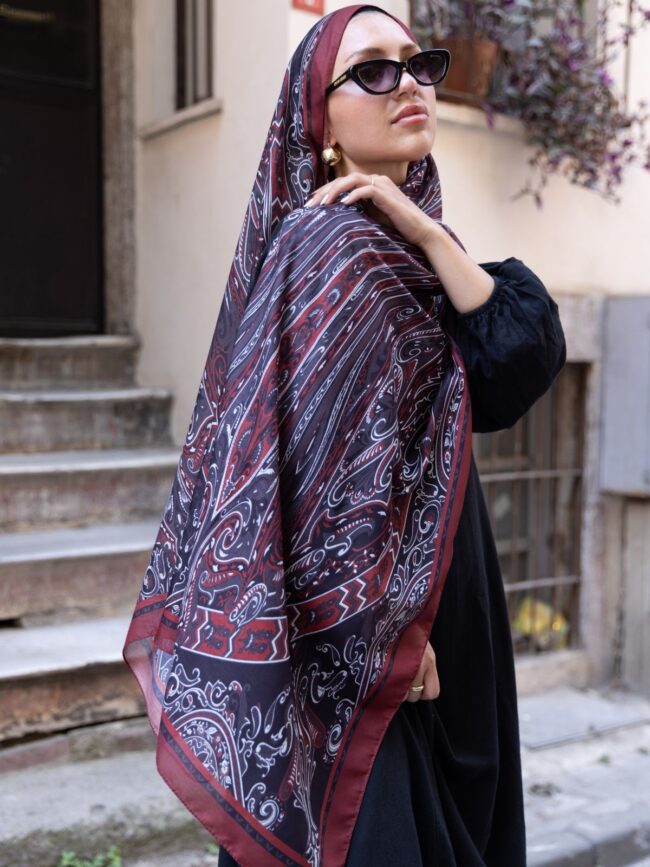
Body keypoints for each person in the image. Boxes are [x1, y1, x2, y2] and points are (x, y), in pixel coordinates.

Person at [122, 4, 566, 866]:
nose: (409, 85)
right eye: (372, 71)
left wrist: (424, 229)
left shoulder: (405, 249)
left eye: (418, 62)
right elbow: (295, 474)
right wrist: (384, 638)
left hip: (444, 596)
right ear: (320, 122)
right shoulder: (327, 245)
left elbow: (521, 363)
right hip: (371, 636)